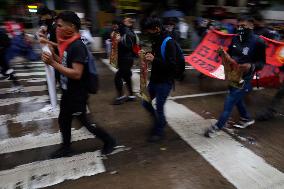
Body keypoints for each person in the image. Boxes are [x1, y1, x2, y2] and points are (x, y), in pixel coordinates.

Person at [42, 11, 116, 158]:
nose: (57, 29)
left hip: (77, 94)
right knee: (63, 120)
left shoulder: (77, 46)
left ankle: (109, 140)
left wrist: (52, 63)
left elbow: (76, 73)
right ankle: (66, 147)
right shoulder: (68, 44)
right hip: (67, 91)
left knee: (86, 122)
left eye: (59, 26)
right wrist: (53, 55)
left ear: (71, 26)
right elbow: (64, 62)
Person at [204, 15, 266, 137]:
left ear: (251, 26)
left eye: (243, 26)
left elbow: (261, 63)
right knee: (236, 99)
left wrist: (250, 66)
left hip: (246, 77)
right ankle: (246, 118)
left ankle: (217, 127)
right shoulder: (236, 39)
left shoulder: (259, 42)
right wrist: (224, 55)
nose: (240, 28)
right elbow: (231, 55)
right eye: (238, 26)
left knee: (230, 100)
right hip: (233, 74)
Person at [140, 17, 176, 142]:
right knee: (145, 102)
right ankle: (160, 121)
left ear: (157, 29)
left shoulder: (169, 42)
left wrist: (154, 59)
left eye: (149, 31)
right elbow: (156, 57)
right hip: (155, 80)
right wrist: (148, 57)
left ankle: (159, 131)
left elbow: (172, 66)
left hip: (165, 82)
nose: (148, 34)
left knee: (159, 106)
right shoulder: (156, 40)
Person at [37, 6, 58, 112]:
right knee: (49, 82)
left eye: (41, 16)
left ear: (46, 14)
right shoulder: (49, 25)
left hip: (58, 59)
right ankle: (52, 102)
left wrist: (46, 41)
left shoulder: (55, 26)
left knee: (62, 83)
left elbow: (59, 44)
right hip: (53, 58)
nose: (41, 19)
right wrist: (43, 35)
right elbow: (49, 38)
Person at [113, 16, 137, 105]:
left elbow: (129, 46)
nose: (114, 26)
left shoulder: (127, 32)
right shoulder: (123, 31)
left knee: (117, 77)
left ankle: (120, 97)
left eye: (115, 24)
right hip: (125, 58)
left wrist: (120, 41)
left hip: (126, 59)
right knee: (127, 77)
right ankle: (131, 96)